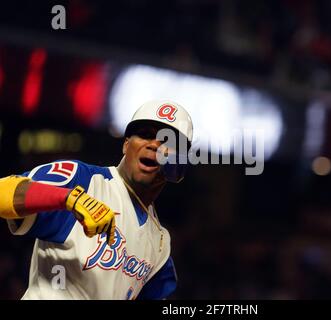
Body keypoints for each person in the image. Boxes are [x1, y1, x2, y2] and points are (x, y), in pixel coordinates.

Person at [0, 99, 193, 300]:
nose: (153, 145)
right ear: (126, 145)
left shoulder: (160, 242)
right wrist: (69, 199)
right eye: (144, 135)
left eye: (167, 142)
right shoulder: (83, 179)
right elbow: (2, 191)